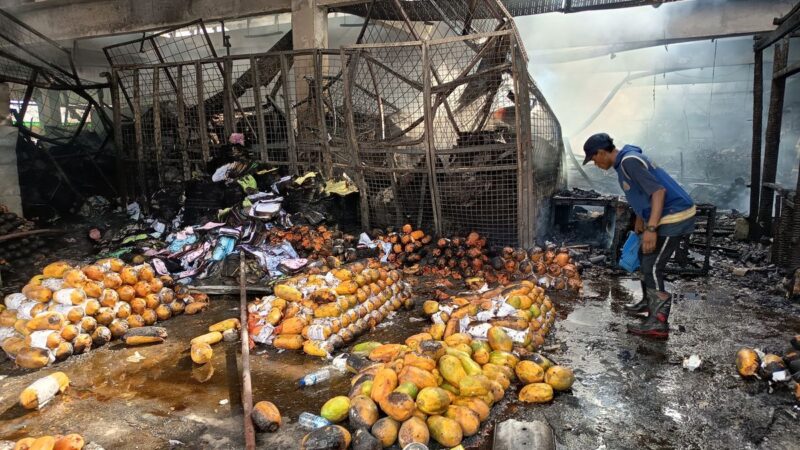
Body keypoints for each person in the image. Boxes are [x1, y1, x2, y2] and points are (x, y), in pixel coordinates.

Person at [583, 133, 696, 339]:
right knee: (645, 257)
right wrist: (640, 219)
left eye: (594, 159)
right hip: (661, 215)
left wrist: (652, 229)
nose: (595, 164)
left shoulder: (629, 162)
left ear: (601, 153)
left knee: (653, 265)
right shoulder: (625, 162)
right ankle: (648, 303)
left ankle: (658, 322)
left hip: (674, 216)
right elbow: (641, 192)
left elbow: (658, 192)